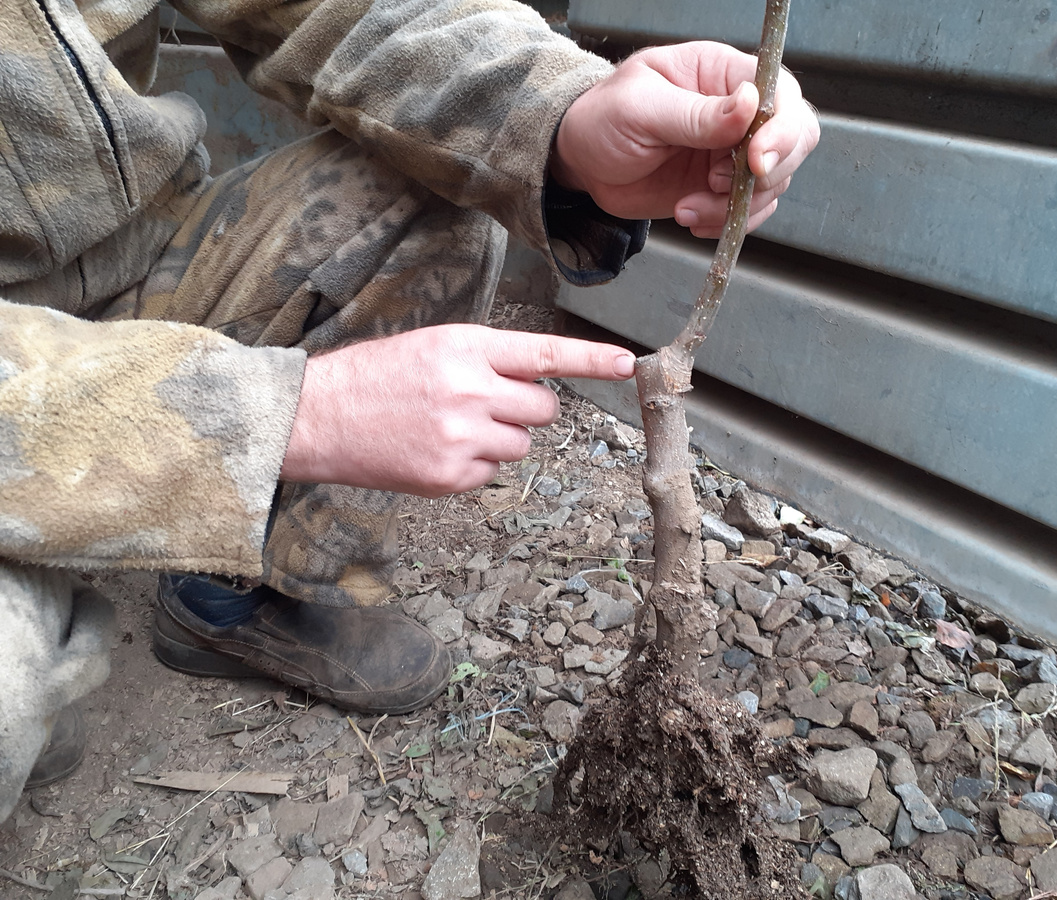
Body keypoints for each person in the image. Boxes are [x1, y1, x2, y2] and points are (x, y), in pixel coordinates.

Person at [0, 0, 820, 821]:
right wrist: (286, 413)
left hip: (141, 270)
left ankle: (232, 594)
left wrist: (561, 116)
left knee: (446, 174)